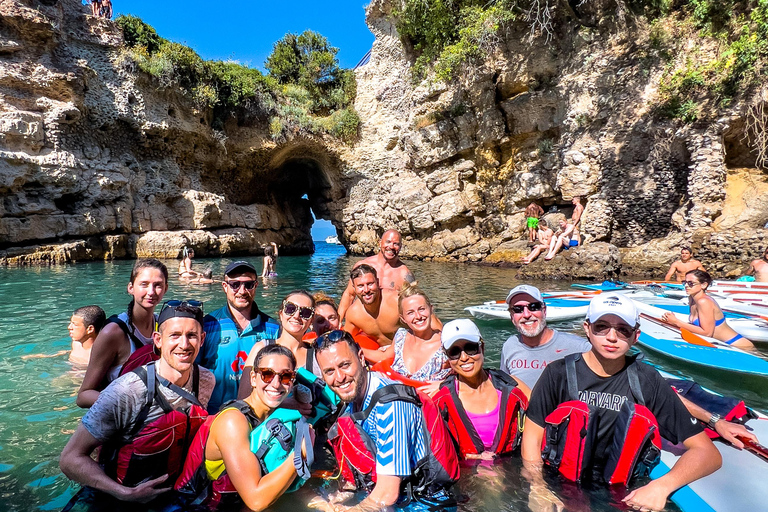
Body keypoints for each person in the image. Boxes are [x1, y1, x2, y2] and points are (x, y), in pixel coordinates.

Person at [521, 294, 722, 512]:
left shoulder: (647, 380)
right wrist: (537, 486)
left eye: (623, 330)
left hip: (622, 493)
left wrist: (662, 486)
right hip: (559, 485)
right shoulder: (557, 373)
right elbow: (532, 437)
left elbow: (707, 453)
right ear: (587, 328)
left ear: (636, 336)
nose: (612, 337)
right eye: (602, 327)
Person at [59, 301, 214, 509]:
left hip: (175, 494)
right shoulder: (127, 390)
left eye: (192, 335)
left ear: (202, 339)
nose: (184, 344)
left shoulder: (206, 380)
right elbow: (70, 458)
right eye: (175, 335)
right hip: (122, 497)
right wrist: (125, 494)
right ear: (158, 340)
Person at [314, 330, 459, 509]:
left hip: (423, 503)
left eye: (344, 365)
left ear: (361, 357)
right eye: (329, 371)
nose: (339, 377)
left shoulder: (391, 407)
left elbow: (386, 494)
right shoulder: (353, 399)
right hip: (388, 496)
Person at [175, 344, 309, 510]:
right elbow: (256, 501)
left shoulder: (274, 417)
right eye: (267, 375)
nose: (276, 384)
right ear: (253, 378)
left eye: (286, 376)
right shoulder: (232, 422)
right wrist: (300, 453)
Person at [77, 259, 168, 408]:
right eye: (144, 284)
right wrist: (130, 403)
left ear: (165, 289)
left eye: (158, 285)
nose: (151, 292)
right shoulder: (113, 332)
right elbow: (83, 396)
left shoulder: (162, 327)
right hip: (121, 419)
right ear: (131, 288)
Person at [434, 319, 530, 460]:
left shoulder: (513, 387)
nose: (464, 358)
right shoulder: (441, 400)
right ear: (447, 357)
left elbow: (539, 423)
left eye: (470, 348)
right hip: (467, 474)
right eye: (454, 352)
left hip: (511, 467)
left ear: (482, 347)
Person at [197, 261, 280, 414]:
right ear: (224, 287)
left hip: (259, 416)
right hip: (214, 415)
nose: (242, 291)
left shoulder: (273, 329)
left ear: (256, 286)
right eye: (235, 284)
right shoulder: (207, 326)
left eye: (248, 284)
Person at [500, 285, 591, 389]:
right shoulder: (509, 345)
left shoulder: (580, 347)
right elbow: (504, 388)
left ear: (544, 310)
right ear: (512, 316)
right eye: (518, 309)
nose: (526, 314)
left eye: (533, 307)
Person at [238, 290, 318, 399]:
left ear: (311, 320)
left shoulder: (317, 356)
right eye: (290, 309)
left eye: (305, 313)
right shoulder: (261, 348)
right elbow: (243, 396)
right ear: (281, 314)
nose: (296, 316)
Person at [371, 284, 449, 388]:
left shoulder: (446, 343)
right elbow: (384, 357)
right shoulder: (401, 337)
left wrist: (442, 385)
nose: (418, 316)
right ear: (403, 318)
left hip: (430, 401)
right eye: (410, 313)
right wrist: (357, 349)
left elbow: (468, 373)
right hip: (397, 399)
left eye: (421, 309)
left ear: (431, 309)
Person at [661, 269, 755, 349]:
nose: (686, 286)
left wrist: (677, 322)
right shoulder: (692, 298)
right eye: (684, 282)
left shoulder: (704, 302)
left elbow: (707, 333)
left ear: (703, 285)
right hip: (722, 344)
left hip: (738, 346)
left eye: (691, 283)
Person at [337, 230, 416, 320]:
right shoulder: (363, 266)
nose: (391, 246)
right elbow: (349, 295)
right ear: (380, 243)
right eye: (388, 242)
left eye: (396, 244)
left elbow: (414, 303)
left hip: (388, 324)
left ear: (400, 247)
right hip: (363, 321)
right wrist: (338, 323)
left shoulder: (404, 274)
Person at [342, 264, 402, 359]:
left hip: (408, 352)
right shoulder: (353, 314)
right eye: (360, 286)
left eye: (370, 284)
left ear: (377, 282)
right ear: (354, 288)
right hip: (381, 357)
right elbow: (344, 342)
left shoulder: (397, 301)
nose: (366, 290)